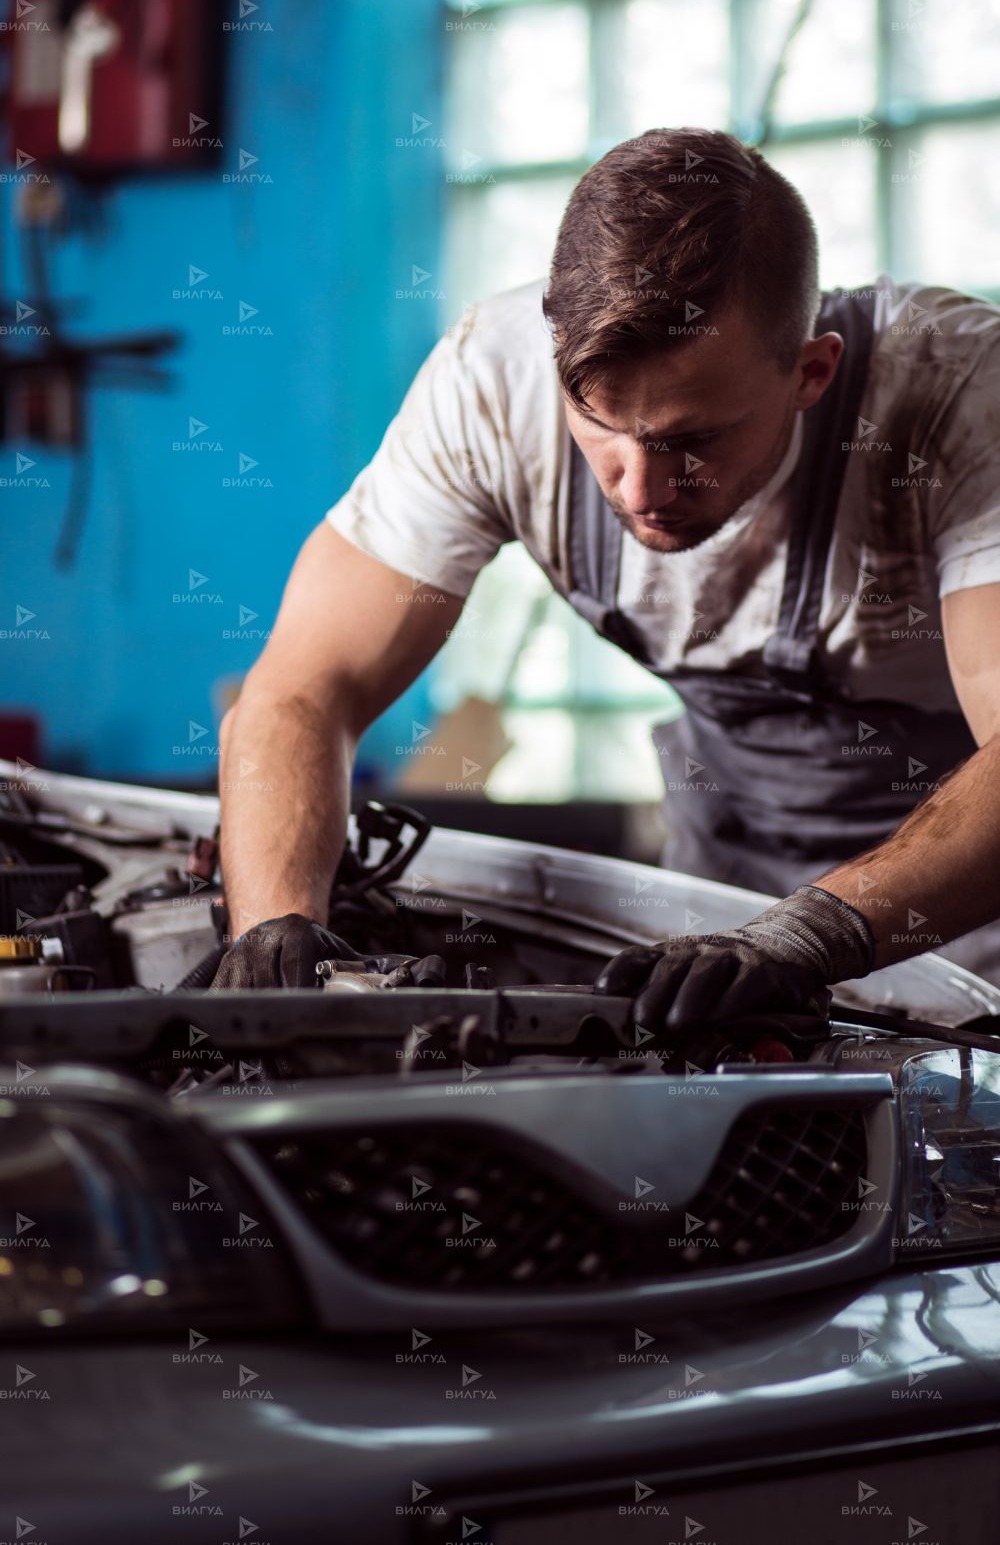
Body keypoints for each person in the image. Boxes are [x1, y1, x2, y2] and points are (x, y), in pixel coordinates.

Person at [212, 127, 1000, 1023]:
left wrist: (810, 934)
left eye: (692, 439)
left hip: (970, 891)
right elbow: (307, 685)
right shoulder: (491, 385)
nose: (642, 487)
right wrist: (273, 924)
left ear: (811, 373)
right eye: (600, 424)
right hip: (727, 864)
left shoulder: (952, 391)